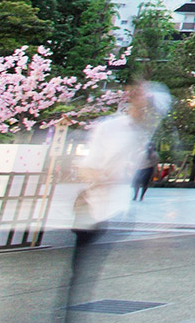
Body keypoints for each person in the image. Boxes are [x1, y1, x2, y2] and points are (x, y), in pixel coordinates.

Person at [65, 82, 171, 318]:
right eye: (145, 106)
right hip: (94, 207)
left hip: (118, 211)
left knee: (86, 274)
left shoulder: (143, 136)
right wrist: (103, 176)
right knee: (78, 275)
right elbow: (88, 167)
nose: (149, 113)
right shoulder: (112, 128)